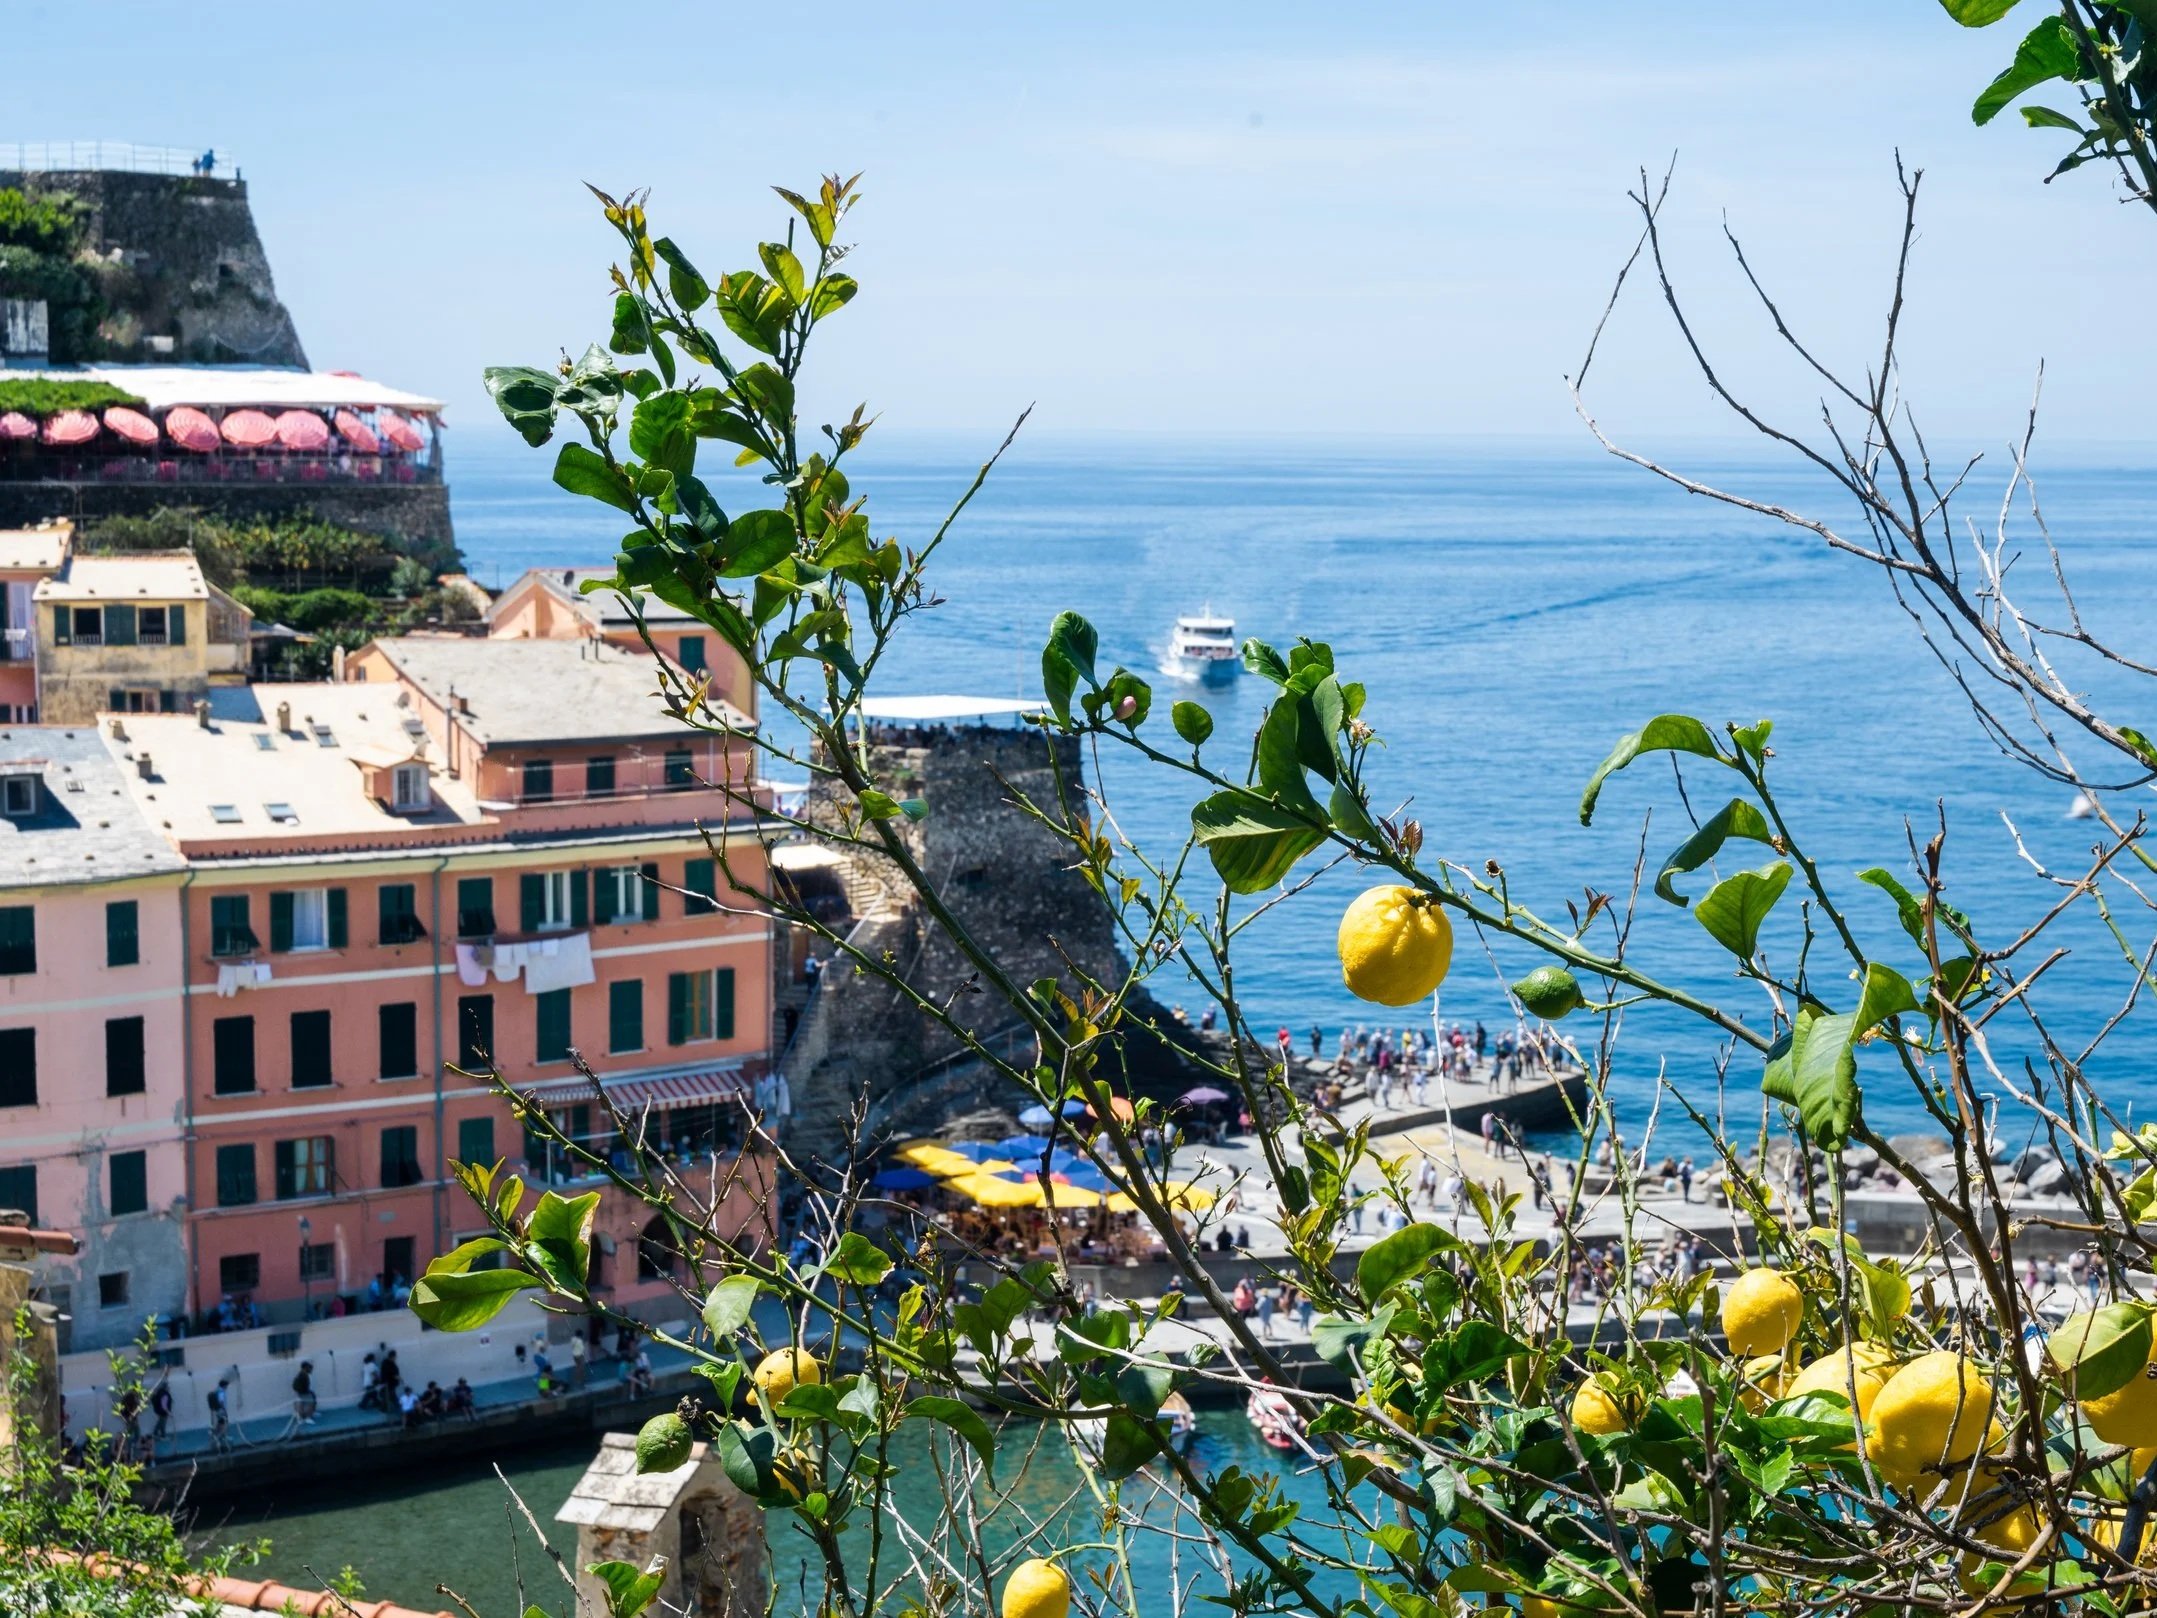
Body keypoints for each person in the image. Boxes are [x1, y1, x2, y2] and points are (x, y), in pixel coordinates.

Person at [207, 1379, 233, 1452]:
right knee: (224, 1424)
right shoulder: (221, 1392)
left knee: (220, 1424)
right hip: (221, 1410)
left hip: (217, 1410)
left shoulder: (217, 1390)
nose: (227, 1387)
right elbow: (221, 1401)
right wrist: (224, 1410)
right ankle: (219, 1437)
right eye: (227, 1386)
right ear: (224, 1385)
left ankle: (215, 1434)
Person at [291, 1360, 318, 1425]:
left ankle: (309, 1413)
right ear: (305, 1368)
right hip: (302, 1392)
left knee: (312, 1396)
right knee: (310, 1401)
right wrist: (306, 1392)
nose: (311, 1370)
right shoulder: (303, 1375)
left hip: (302, 1391)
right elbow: (302, 1386)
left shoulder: (302, 1374)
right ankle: (307, 1418)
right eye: (309, 1368)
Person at [149, 1377, 173, 1446]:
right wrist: (169, 1413)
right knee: (163, 1424)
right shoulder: (165, 1394)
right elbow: (164, 1405)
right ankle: (162, 1436)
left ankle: (155, 1434)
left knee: (160, 1422)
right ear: (166, 1387)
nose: (169, 1387)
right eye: (168, 1386)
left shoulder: (159, 1392)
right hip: (163, 1412)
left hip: (158, 1410)